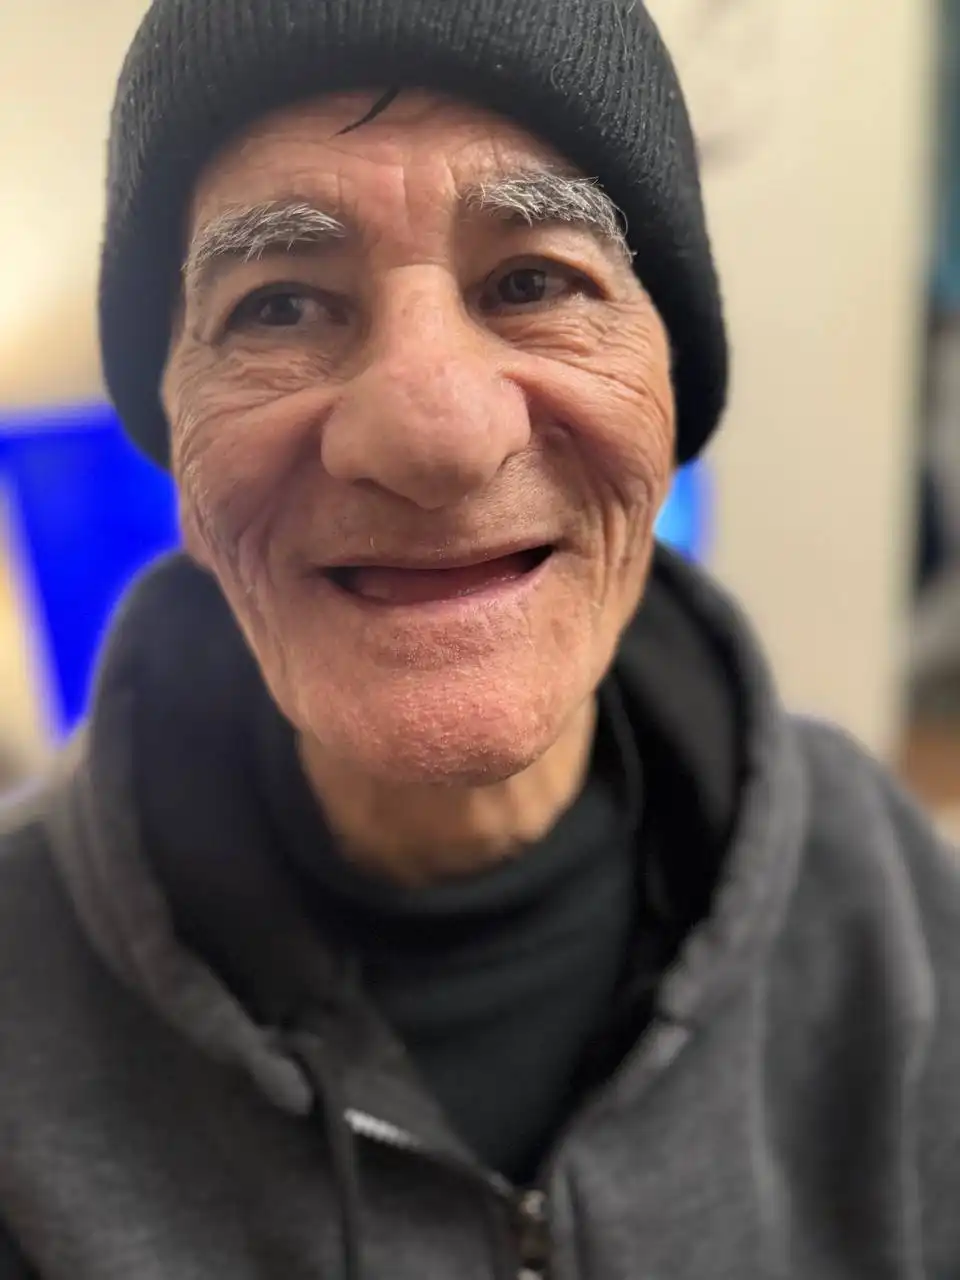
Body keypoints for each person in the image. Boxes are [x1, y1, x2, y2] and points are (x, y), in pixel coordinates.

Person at [1, 1, 959, 1276]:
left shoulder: (884, 887)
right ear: (175, 436)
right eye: (279, 306)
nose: (434, 433)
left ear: (670, 392)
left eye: (534, 281)